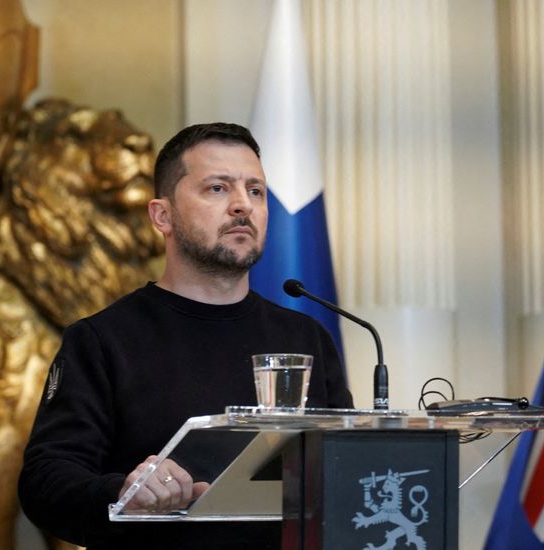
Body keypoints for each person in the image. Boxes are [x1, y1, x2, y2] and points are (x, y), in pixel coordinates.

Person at [18, 122, 353, 549]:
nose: (241, 206)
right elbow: (45, 482)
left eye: (255, 191)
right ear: (163, 215)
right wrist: (124, 493)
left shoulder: (305, 337)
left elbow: (346, 470)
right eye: (217, 189)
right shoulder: (102, 340)